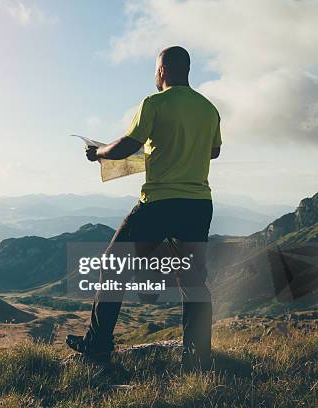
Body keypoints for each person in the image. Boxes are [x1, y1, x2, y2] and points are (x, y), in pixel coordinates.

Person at [66, 46, 222, 371]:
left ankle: (97, 346)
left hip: (159, 203)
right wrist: (178, 151)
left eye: (155, 70)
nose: (154, 75)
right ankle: (196, 360)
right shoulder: (209, 109)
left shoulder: (154, 103)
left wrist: (98, 154)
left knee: (112, 265)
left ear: (162, 71)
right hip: (198, 205)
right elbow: (214, 152)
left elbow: (128, 145)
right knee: (193, 281)